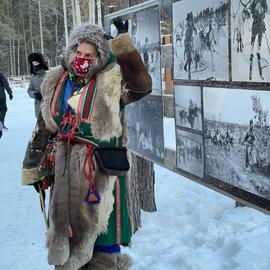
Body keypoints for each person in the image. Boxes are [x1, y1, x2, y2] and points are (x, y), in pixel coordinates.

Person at [21, 18, 152, 270]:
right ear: (71, 51)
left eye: (89, 54)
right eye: (78, 52)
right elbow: (42, 127)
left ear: (100, 56)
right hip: (64, 172)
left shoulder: (111, 80)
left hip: (100, 175)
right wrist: (33, 166)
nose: (82, 58)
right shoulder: (56, 80)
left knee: (102, 246)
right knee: (67, 241)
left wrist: (123, 48)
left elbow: (141, 87)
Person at [27, 52, 48, 117]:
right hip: (38, 104)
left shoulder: (48, 74)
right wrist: (35, 94)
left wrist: (44, 95)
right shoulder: (33, 77)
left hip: (48, 103)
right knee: (40, 123)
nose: (35, 65)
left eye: (36, 63)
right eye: (33, 63)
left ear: (41, 63)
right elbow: (29, 90)